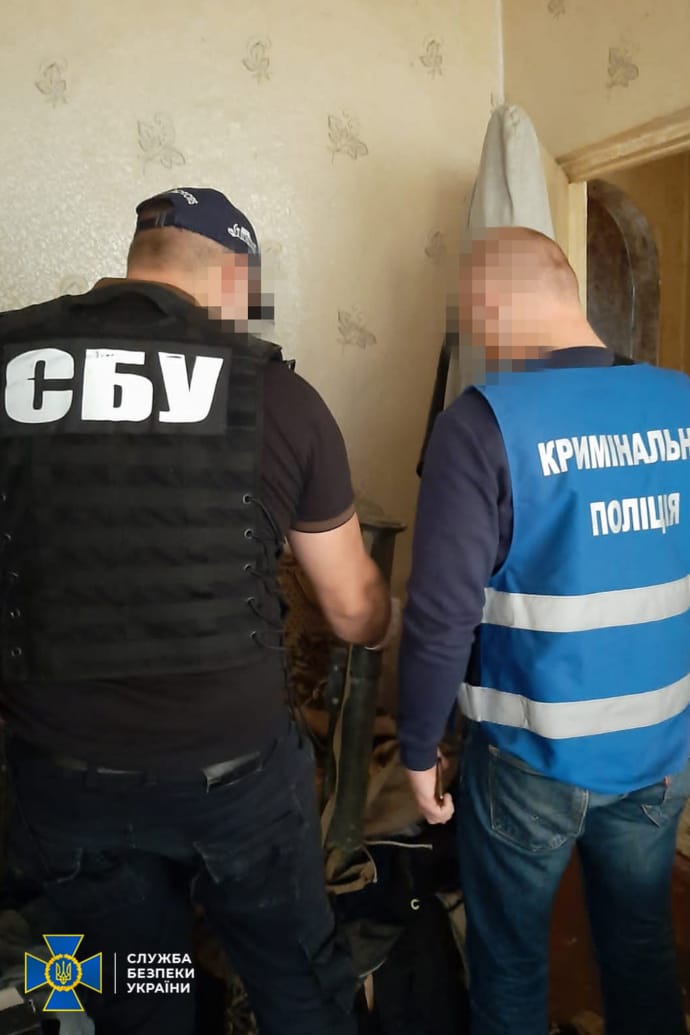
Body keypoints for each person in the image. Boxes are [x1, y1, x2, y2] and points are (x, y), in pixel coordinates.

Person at [0, 187, 398, 1035]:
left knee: (138, 999)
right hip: (237, 781)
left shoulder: (10, 360)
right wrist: (390, 619)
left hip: (62, 777)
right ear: (235, 278)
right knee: (298, 986)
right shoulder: (276, 393)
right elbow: (351, 607)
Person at [398, 227, 690, 1035]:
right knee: (640, 943)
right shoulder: (681, 402)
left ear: (494, 303)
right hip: (659, 749)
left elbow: (440, 613)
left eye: (474, 319)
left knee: (512, 959)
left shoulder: (482, 422)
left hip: (531, 757)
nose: (479, 340)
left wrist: (419, 750)